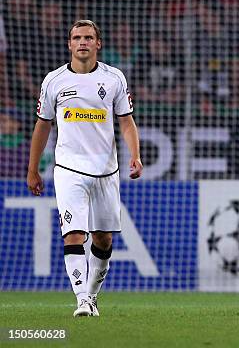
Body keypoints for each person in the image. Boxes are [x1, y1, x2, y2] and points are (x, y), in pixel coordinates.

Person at [26, 19, 143, 317]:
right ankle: (80, 299)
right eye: (77, 37)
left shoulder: (114, 78)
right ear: (69, 44)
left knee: (103, 238)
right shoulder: (54, 81)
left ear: (98, 44)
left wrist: (135, 155)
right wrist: (32, 169)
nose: (82, 42)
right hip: (68, 167)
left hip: (106, 169)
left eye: (88, 37)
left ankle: (91, 295)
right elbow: (42, 126)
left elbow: (126, 121)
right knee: (74, 234)